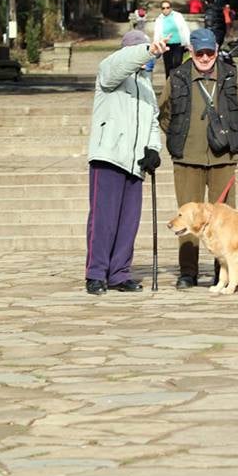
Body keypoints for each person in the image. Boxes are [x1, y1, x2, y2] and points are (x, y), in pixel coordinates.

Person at [158, 27, 238, 289]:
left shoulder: (231, 75)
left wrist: (229, 138)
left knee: (226, 220)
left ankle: (223, 271)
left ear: (216, 51)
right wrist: (180, 137)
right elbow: (165, 114)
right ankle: (188, 272)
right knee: (187, 219)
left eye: (210, 52)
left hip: (223, 159)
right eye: (199, 52)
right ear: (191, 51)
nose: (205, 57)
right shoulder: (177, 77)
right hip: (187, 159)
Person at [85, 30, 167, 295]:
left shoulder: (145, 86)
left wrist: (153, 149)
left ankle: (119, 273)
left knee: (128, 222)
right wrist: (148, 50)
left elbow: (152, 121)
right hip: (109, 156)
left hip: (135, 163)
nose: (148, 58)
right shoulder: (109, 70)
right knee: (103, 220)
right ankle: (96, 273)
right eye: (142, 51)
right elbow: (120, 65)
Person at [153, 0, 191, 77]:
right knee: (168, 65)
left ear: (171, 8)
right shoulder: (159, 19)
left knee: (177, 63)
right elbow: (157, 33)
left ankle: (178, 81)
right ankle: (168, 83)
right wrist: (156, 45)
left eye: (167, 7)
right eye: (163, 8)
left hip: (178, 44)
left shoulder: (178, 16)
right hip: (166, 45)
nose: (165, 10)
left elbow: (184, 29)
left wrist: (188, 43)